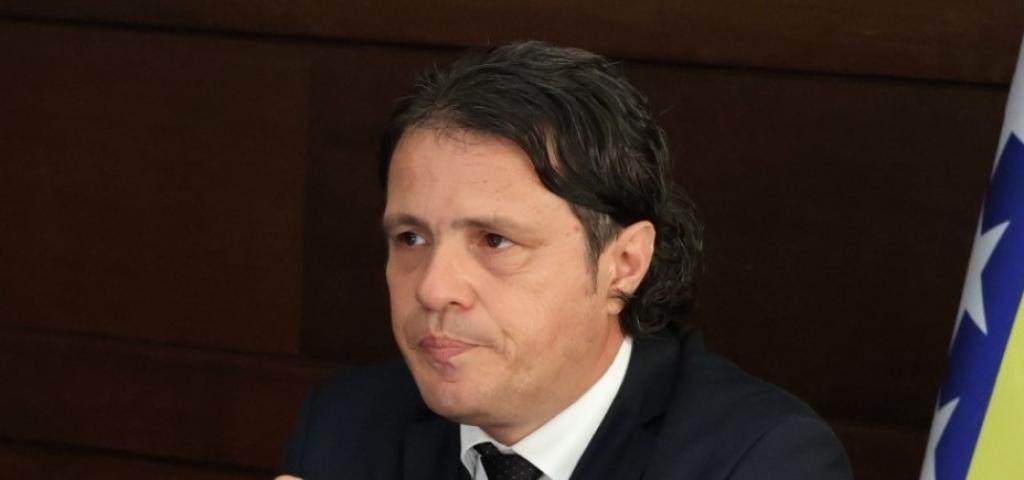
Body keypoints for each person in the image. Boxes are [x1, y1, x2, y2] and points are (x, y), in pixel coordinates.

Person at [277, 41, 852, 480]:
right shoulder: (343, 426)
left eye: (494, 241)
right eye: (410, 238)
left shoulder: (759, 459)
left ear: (624, 263)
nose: (433, 288)